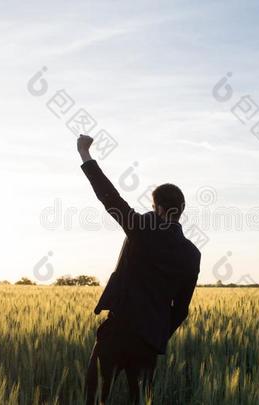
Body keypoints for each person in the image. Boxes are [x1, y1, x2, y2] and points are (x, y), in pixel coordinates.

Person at [77, 134, 201, 404]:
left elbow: (110, 198)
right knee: (139, 400)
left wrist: (85, 154)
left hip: (117, 331)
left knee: (96, 397)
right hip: (149, 342)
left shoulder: (141, 228)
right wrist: (157, 332)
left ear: (157, 208)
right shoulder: (192, 254)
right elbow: (181, 309)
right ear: (180, 211)